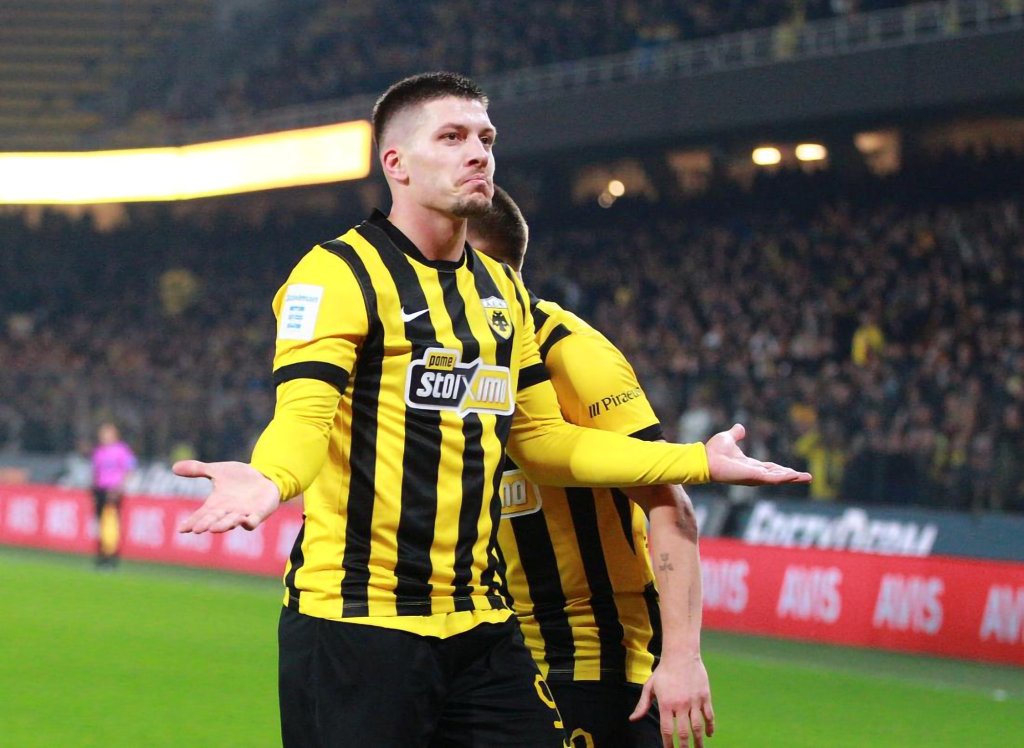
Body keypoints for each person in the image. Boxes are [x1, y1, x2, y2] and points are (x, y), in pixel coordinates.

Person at [173, 72, 809, 747]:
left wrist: (694, 460)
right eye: (452, 138)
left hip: (480, 624)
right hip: (360, 620)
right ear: (397, 164)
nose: (477, 153)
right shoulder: (336, 275)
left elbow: (544, 442)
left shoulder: (501, 291)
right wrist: (269, 478)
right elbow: (303, 419)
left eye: (485, 138)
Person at [468, 187, 713, 748]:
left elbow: (668, 504)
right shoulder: (452, 351)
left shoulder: (574, 354)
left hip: (588, 658)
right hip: (488, 648)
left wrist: (682, 658)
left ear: (487, 265)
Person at [90, 422, 136, 568]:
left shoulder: (122, 450)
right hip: (100, 490)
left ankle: (111, 556)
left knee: (111, 523)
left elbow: (130, 469)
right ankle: (101, 554)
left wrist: (119, 487)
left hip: (113, 491)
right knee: (100, 524)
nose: (104, 436)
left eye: (107, 433)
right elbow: (95, 471)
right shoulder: (99, 451)